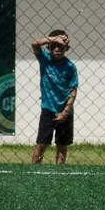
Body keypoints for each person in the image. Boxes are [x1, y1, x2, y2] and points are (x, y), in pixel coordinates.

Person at [30, 30, 78, 165]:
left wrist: (65, 112)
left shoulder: (70, 67)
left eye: (61, 47)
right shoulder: (45, 59)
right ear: (48, 47)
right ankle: (34, 170)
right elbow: (34, 44)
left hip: (65, 111)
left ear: (67, 48)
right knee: (41, 143)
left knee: (62, 145)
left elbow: (73, 90)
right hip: (48, 109)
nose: (57, 49)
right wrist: (53, 38)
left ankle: (59, 172)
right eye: (54, 46)